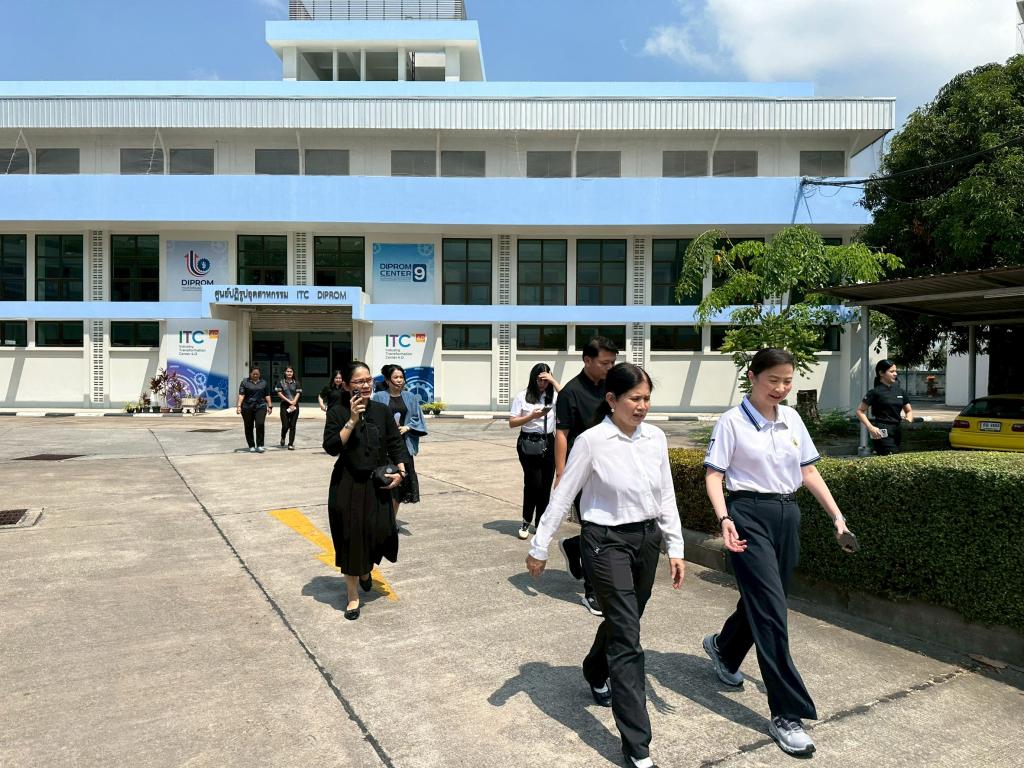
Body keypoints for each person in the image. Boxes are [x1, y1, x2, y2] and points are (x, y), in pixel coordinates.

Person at [526, 363, 685, 768]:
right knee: (628, 638)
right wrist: (540, 545)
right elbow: (563, 494)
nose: (643, 406)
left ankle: (594, 668)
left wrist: (675, 546)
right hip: (605, 542)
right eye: (635, 399)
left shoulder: (656, 438)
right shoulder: (593, 441)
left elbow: (666, 493)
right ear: (612, 400)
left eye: (647, 398)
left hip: (646, 540)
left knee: (626, 618)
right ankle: (637, 744)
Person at [702, 348, 852, 757]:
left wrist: (837, 516)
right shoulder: (732, 422)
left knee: (767, 601)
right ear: (752, 376)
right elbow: (714, 475)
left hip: (788, 515)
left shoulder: (792, 418)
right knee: (772, 613)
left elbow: (808, 471)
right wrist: (724, 518)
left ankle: (723, 647)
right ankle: (786, 713)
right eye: (774, 380)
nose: (781, 389)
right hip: (747, 514)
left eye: (788, 381)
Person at [322, 361, 409, 621]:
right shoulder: (338, 411)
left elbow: (396, 444)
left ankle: (365, 570)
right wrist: (352, 419)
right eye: (359, 381)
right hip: (347, 484)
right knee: (350, 539)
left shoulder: (382, 410)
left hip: (376, 484)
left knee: (380, 532)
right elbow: (332, 447)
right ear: (347, 386)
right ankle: (352, 596)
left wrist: (402, 472)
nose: (366, 385)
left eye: (369, 380)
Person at [554, 335, 619, 616]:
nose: (610, 367)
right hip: (582, 470)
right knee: (595, 529)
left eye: (613, 362)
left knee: (608, 528)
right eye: (605, 363)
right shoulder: (570, 392)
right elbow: (562, 434)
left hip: (612, 467)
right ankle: (593, 593)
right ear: (587, 360)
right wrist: (561, 474)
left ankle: (573, 545)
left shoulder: (613, 387)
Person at [508, 363, 561, 539]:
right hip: (528, 442)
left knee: (546, 486)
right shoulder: (523, 396)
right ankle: (526, 521)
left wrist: (554, 381)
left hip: (549, 442)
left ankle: (541, 524)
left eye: (545, 380)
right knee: (533, 484)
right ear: (533, 378)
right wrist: (532, 416)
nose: (542, 383)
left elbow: (569, 397)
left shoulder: (552, 396)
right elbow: (512, 422)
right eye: (540, 379)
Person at [372, 364, 428, 515]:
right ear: (387, 380)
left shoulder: (410, 397)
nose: (399, 380)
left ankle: (392, 521)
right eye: (395, 377)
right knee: (384, 481)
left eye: (401, 377)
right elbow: (372, 420)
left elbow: (418, 418)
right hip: (384, 448)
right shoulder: (378, 397)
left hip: (403, 446)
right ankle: (384, 518)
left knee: (399, 486)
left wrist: (407, 427)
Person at [856, 359, 913, 455]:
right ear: (881, 373)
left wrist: (909, 418)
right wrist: (871, 427)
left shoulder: (900, 391)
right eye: (891, 371)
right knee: (891, 457)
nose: (895, 374)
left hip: (897, 430)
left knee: (895, 458)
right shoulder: (875, 392)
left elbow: (909, 410)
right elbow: (860, 411)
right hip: (881, 430)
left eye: (896, 371)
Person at [235, 367, 272, 453]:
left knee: (260, 424)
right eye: (254, 374)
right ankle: (251, 445)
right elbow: (241, 395)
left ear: (259, 374)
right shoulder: (244, 382)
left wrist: (270, 406)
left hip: (261, 406)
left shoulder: (264, 383)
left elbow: (267, 395)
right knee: (248, 426)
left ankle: (260, 445)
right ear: (250, 374)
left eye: (257, 374)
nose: (255, 375)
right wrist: (239, 406)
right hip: (247, 407)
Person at [275, 366, 302, 450]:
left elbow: (298, 393)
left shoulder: (296, 383)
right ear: (285, 373)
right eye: (287, 371)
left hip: (294, 406)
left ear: (293, 373)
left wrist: (294, 402)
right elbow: (279, 393)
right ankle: (283, 437)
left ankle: (290, 444)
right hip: (284, 406)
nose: (289, 373)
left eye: (291, 371)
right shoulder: (281, 383)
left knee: (293, 426)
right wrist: (289, 401)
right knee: (285, 425)